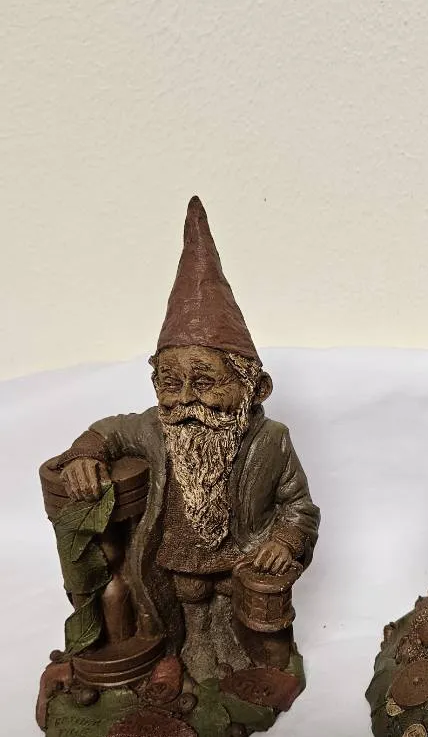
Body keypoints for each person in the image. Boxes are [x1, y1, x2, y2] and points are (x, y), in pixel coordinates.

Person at [56, 197, 319, 678]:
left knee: (247, 634)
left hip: (241, 567)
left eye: (204, 382)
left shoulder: (272, 441)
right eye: (170, 383)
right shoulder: (155, 429)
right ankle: (183, 661)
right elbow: (107, 431)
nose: (184, 401)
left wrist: (284, 540)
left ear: (255, 388)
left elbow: (299, 506)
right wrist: (85, 454)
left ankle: (240, 669)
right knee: (183, 620)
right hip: (172, 571)